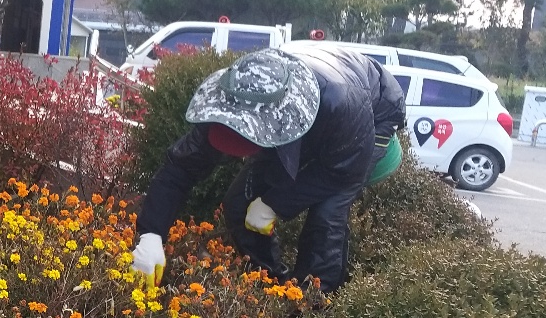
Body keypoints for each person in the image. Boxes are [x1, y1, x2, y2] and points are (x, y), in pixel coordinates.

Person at [131, 45, 406, 293]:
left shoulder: (342, 102)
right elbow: (180, 167)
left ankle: (313, 308)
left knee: (327, 214)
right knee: (240, 204)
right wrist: (151, 234)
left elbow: (343, 172)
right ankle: (270, 284)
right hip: (305, 105)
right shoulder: (231, 101)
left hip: (373, 108)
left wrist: (275, 203)